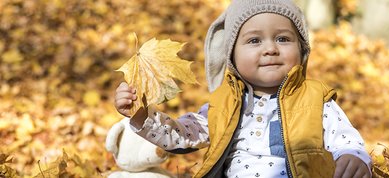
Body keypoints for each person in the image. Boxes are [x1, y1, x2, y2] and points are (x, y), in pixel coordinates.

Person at [114, 0, 372, 177]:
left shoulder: (316, 98)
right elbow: (182, 135)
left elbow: (344, 138)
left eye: (283, 39)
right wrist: (140, 115)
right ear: (232, 57)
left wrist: (353, 156)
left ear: (302, 51)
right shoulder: (223, 104)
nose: (270, 48)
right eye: (254, 40)